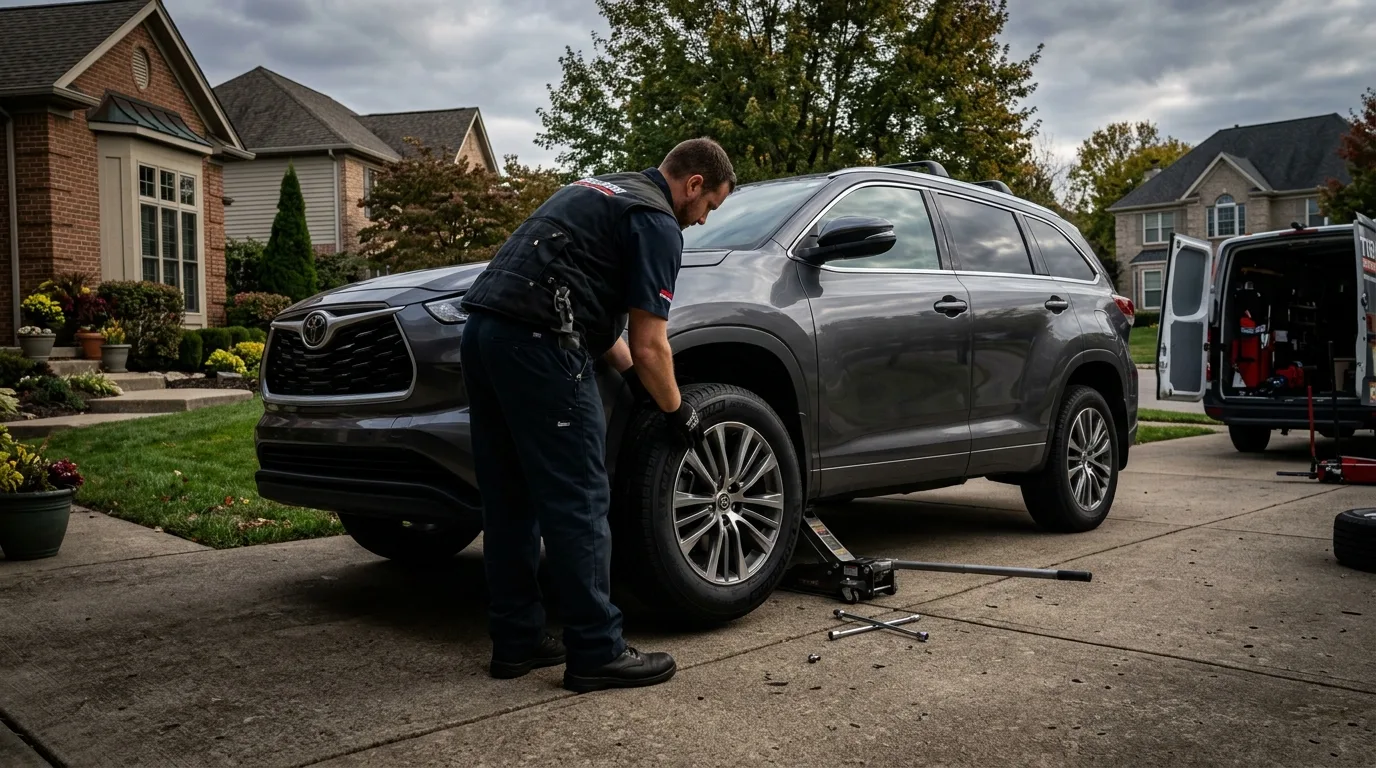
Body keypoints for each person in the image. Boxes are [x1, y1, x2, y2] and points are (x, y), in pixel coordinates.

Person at [458, 138, 736, 693]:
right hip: (542, 345)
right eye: (709, 207)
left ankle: (516, 640)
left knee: (509, 497)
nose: (703, 220)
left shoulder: (598, 189)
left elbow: (606, 330)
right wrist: (678, 411)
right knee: (580, 500)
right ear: (694, 185)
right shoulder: (656, 221)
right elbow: (652, 343)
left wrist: (638, 382)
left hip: (485, 335)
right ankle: (596, 651)